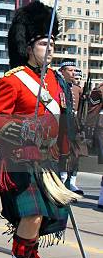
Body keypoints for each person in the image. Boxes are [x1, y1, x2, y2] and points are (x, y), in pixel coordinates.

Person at [0, 0, 79, 258]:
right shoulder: (13, 80)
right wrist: (19, 129)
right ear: (28, 47)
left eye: (52, 42)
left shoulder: (57, 80)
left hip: (48, 160)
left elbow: (64, 118)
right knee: (33, 215)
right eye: (42, 43)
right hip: (21, 158)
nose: (49, 48)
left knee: (45, 221)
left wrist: (67, 152)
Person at [57, 58, 85, 195]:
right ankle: (61, 180)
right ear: (62, 71)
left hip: (74, 122)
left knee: (76, 153)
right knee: (63, 152)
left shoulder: (76, 89)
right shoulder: (58, 86)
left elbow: (81, 109)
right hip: (61, 122)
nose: (74, 73)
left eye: (75, 70)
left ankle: (72, 181)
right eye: (70, 70)